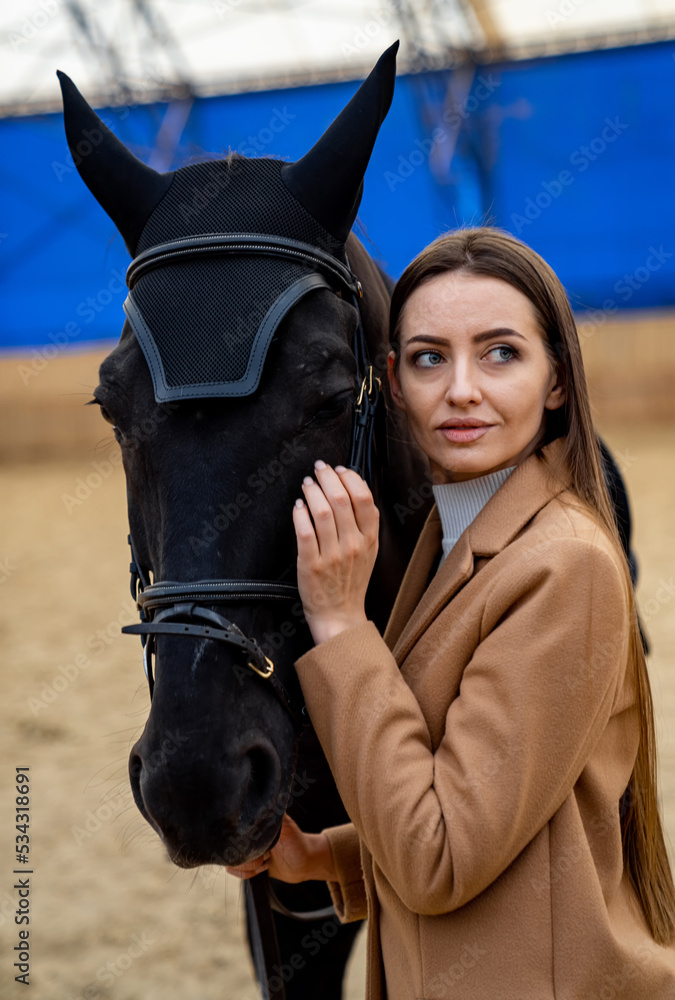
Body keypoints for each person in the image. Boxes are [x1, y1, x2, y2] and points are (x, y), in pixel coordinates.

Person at [227, 227, 675, 998]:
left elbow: (438, 859)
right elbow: (485, 812)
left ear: (557, 380)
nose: (461, 389)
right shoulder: (448, 538)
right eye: (431, 357)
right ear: (394, 382)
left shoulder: (562, 565)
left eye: (500, 353)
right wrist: (325, 858)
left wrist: (339, 624)